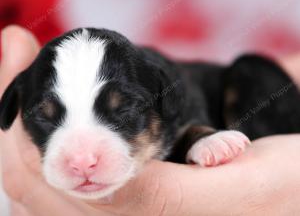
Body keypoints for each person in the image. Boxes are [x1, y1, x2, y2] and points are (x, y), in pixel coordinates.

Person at [1, 25, 300, 216]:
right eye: (45, 116)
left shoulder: (170, 88)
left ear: (163, 97)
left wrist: (198, 138)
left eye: (122, 109)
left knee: (255, 75)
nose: (82, 159)